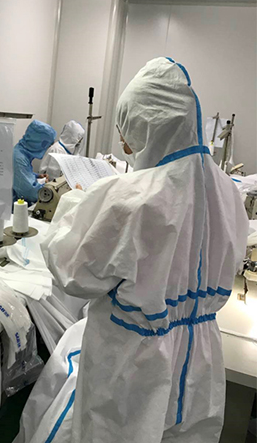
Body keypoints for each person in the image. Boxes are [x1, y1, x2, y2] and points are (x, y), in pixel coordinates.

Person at [40, 57, 249, 443]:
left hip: (133, 361)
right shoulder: (228, 192)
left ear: (149, 125)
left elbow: (74, 272)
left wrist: (77, 205)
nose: (124, 143)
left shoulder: (131, 196)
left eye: (128, 130)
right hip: (200, 357)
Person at [13, 120, 57, 204]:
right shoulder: (19, 158)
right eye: (46, 144)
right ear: (37, 142)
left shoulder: (21, 153)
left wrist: (37, 176)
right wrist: (45, 187)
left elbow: (20, 175)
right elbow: (30, 193)